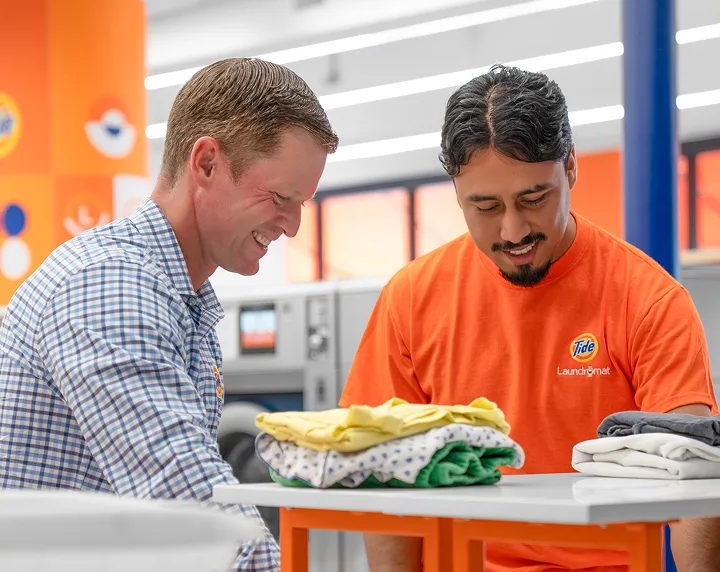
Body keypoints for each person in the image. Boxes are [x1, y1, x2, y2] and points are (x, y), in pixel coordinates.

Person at [340, 64, 720, 572]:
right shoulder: (411, 298)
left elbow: (690, 472)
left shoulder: (648, 299)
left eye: (533, 199)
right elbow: (381, 468)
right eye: (486, 207)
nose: (513, 228)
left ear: (570, 169)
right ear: (456, 193)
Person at [0, 58, 338, 571]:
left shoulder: (178, 296)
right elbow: (186, 492)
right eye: (279, 198)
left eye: (302, 204)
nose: (291, 226)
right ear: (205, 163)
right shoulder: (110, 285)